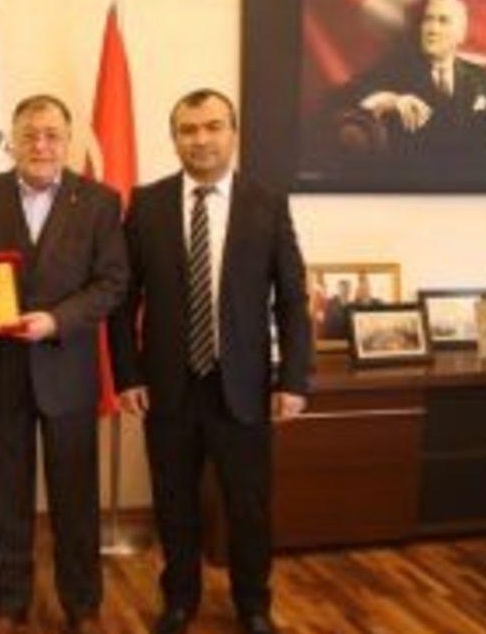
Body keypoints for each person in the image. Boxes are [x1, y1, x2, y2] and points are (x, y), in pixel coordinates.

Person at [109, 89, 312, 634]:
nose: (201, 139)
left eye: (212, 127)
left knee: (249, 507)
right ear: (174, 138)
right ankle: (179, 601)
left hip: (243, 387)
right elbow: (123, 301)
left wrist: (294, 379)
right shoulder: (147, 204)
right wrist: (127, 375)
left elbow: (292, 299)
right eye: (188, 129)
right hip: (168, 387)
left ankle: (253, 605)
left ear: (233, 133)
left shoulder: (266, 204)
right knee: (174, 504)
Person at [0, 94, 128, 634]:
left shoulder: (99, 201)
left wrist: (57, 320)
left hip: (67, 373)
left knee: (76, 500)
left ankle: (82, 605)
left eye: (52, 135)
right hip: (1, 371)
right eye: (30, 135)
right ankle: (9, 604)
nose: (41, 145)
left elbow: (112, 283)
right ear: (14, 140)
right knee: (4, 498)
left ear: (67, 141)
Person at [332, 0, 486, 171]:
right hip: (413, 181)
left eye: (443, 21)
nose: (432, 29)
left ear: (461, 34)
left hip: (471, 181)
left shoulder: (478, 74)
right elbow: (349, 92)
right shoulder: (395, 68)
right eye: (428, 20)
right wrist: (392, 100)